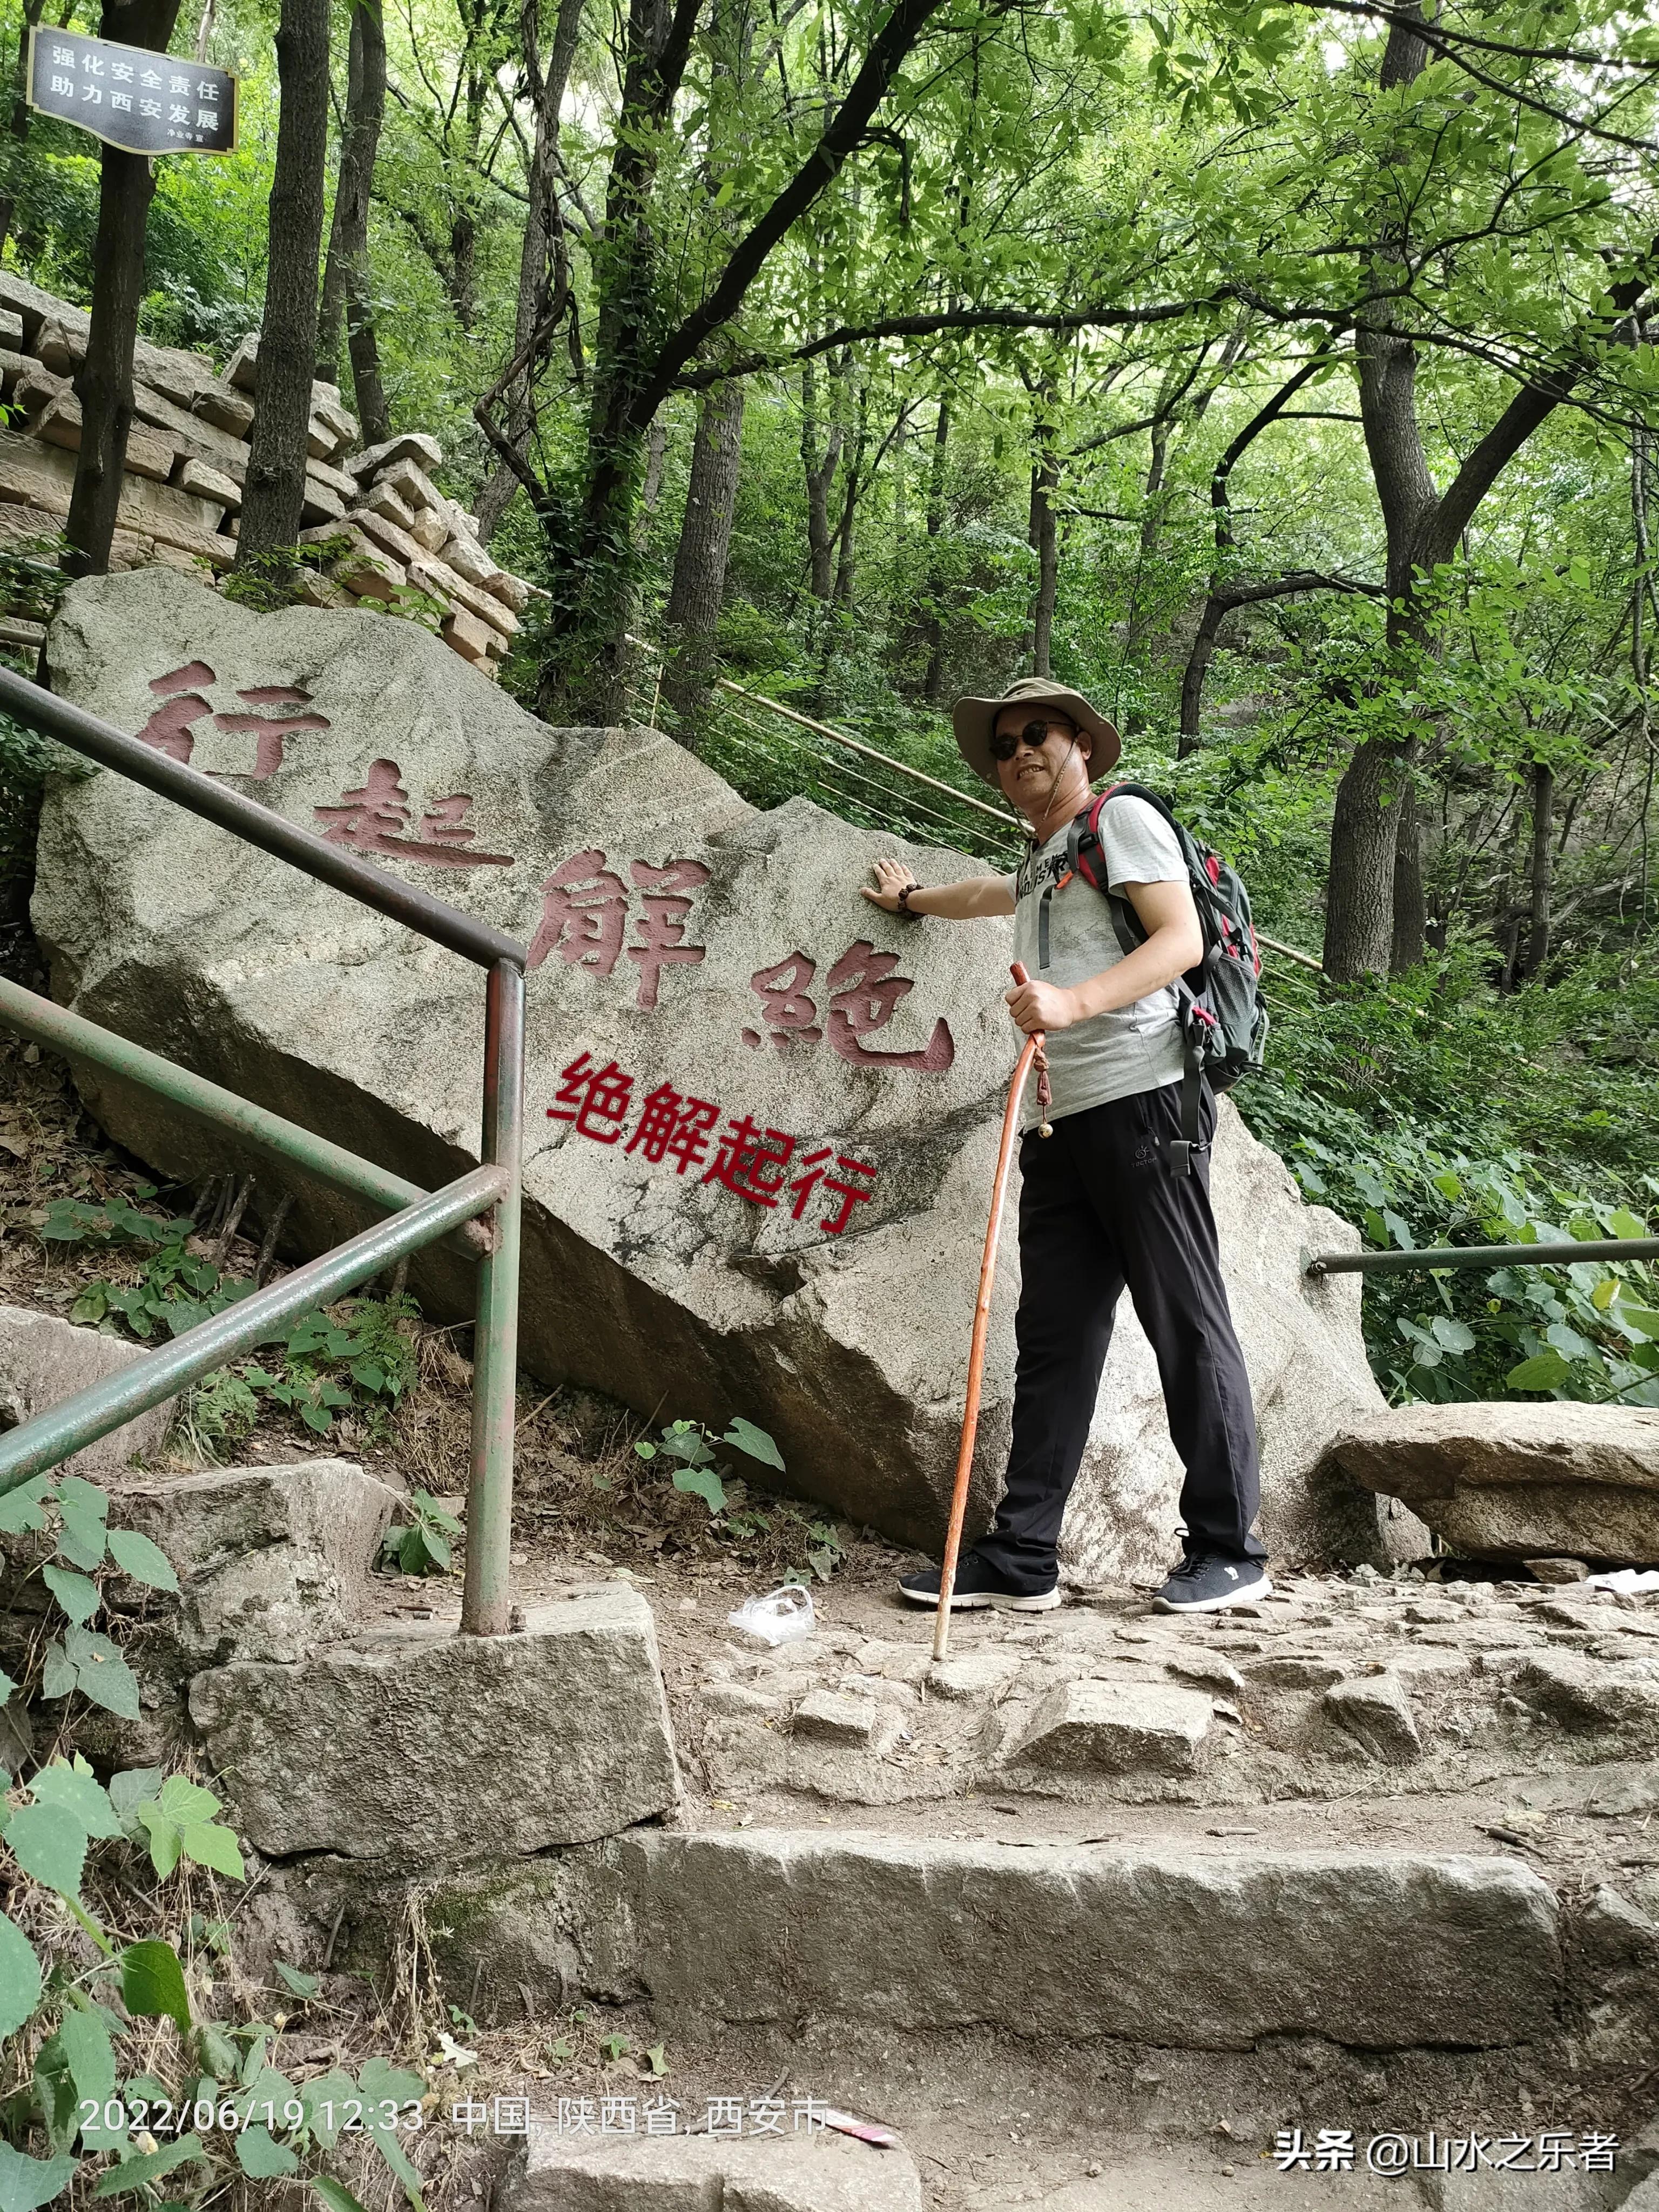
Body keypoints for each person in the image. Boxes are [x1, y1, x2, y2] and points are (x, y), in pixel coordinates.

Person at [861, 675, 1269, 1615]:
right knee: (1054, 1339)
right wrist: (913, 900)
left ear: (1081, 743)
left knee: (1185, 1320)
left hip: (1145, 1104)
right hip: (1061, 1119)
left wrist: (1073, 1002)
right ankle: (1022, 1556)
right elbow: (984, 893)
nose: (1018, 756)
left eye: (1036, 734)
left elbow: (1183, 938)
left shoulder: (1119, 820)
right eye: (1003, 747)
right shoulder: (1050, 856)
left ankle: (1229, 1547)